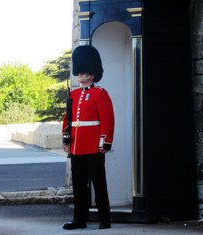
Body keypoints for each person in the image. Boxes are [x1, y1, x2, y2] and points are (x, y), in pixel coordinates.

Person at [62, 45, 115, 230]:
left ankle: (105, 219)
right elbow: (67, 119)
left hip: (93, 146)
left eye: (83, 72)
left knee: (99, 184)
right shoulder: (74, 94)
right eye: (79, 72)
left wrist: (104, 142)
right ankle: (79, 219)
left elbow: (107, 120)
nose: (80, 75)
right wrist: (66, 140)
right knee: (79, 186)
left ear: (91, 74)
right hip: (77, 146)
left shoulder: (100, 94)